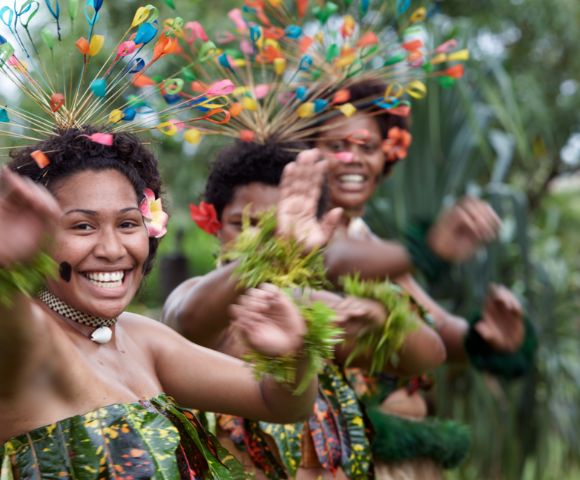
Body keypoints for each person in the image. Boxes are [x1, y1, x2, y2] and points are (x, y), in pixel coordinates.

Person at [0, 127, 320, 479]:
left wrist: (295, 355)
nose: (112, 249)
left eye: (127, 223)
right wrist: (7, 268)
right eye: (82, 226)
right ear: (37, 236)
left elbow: (278, 402)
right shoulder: (34, 341)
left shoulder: (143, 339)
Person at [164, 141, 447, 479]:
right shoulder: (198, 299)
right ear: (214, 223)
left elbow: (429, 353)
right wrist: (276, 248)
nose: (258, 239)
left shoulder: (314, 305)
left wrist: (381, 319)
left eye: (275, 226)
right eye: (244, 224)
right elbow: (187, 318)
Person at [313, 80, 533, 478]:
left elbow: (437, 327)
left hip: (406, 459)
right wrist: (425, 250)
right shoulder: (302, 234)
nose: (353, 159)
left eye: (368, 147)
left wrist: (487, 339)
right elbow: (336, 262)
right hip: (344, 457)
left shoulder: (371, 243)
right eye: (337, 146)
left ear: (387, 156)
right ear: (309, 154)